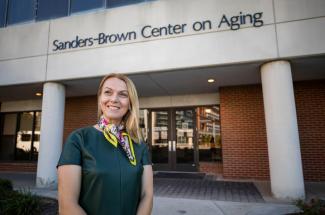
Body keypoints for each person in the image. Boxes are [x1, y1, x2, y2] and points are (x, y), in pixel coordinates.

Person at [57, 73, 153, 215]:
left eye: (123, 94)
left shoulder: (139, 145)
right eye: (108, 92)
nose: (114, 99)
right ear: (100, 99)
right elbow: (67, 205)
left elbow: (147, 195)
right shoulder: (79, 139)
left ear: (130, 102)